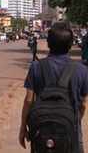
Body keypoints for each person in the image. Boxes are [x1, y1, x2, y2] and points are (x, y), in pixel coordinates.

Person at [19, 22, 88, 153]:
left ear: (49, 44)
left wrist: (23, 128)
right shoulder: (82, 71)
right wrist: (74, 120)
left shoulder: (36, 67)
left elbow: (29, 100)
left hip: (41, 129)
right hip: (71, 128)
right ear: (70, 45)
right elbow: (83, 104)